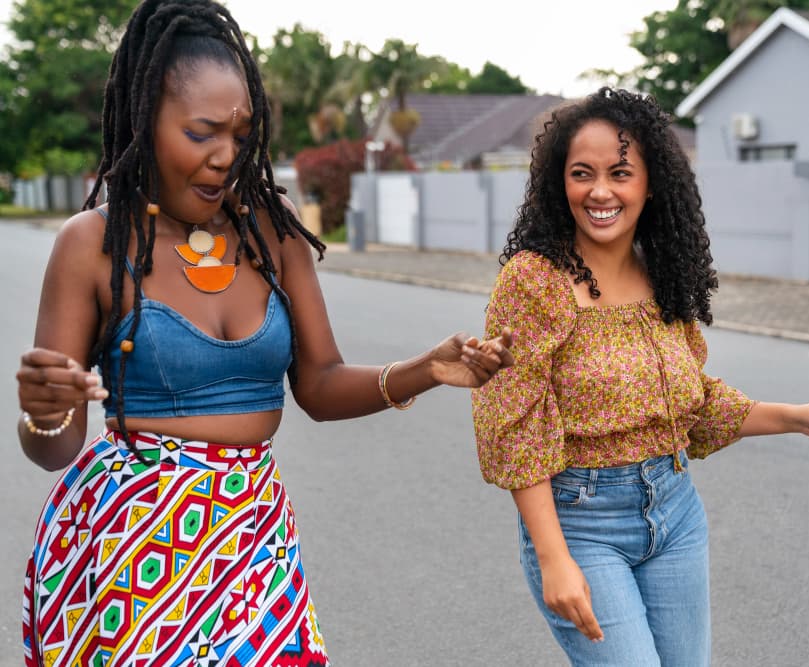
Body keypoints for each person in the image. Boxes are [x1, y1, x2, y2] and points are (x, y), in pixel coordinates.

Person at [16, 1, 513, 665]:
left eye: (241, 133)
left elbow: (319, 383)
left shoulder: (272, 232)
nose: (226, 155)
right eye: (202, 132)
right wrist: (45, 415)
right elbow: (56, 444)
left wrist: (426, 367)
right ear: (145, 121)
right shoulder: (94, 244)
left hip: (254, 543)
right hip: (134, 552)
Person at [471, 87, 809, 666]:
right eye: (582, 173)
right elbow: (514, 425)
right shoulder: (534, 281)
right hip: (582, 523)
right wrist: (554, 557)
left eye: (620, 173)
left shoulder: (662, 272)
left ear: (650, 183)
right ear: (561, 183)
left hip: (676, 511)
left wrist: (801, 417)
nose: (600, 191)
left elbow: (692, 405)